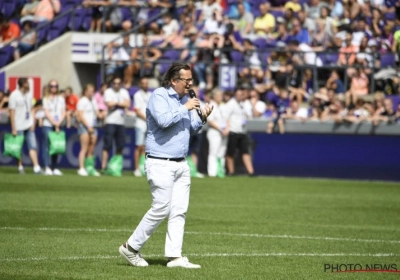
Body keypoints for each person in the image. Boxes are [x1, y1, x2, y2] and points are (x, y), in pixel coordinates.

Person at [119, 63, 213, 268]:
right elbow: (162, 121)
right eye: (186, 80)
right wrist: (185, 108)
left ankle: (175, 257)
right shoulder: (159, 96)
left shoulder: (183, 100)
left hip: (181, 163)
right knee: (161, 207)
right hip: (160, 162)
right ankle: (131, 248)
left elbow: (189, 129)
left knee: (179, 210)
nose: (190, 84)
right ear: (174, 80)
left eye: (191, 80)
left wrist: (202, 118)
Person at [8, 78, 43, 174]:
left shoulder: (29, 94)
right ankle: (20, 167)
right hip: (18, 125)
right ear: (23, 84)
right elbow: (11, 112)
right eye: (27, 83)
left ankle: (36, 167)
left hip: (28, 124)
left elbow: (31, 109)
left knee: (33, 146)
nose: (29, 85)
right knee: (18, 148)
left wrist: (32, 122)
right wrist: (13, 128)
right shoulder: (14, 95)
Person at [100, 77, 130, 173]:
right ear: (112, 83)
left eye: (118, 83)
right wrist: (121, 104)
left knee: (120, 146)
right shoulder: (108, 91)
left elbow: (128, 104)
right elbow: (109, 104)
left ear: (121, 84)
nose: (116, 85)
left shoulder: (124, 92)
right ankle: (103, 167)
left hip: (121, 122)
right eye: (114, 83)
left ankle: (117, 166)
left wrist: (115, 104)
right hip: (110, 121)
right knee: (107, 145)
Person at [225, 88, 255, 176]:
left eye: (241, 94)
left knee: (245, 151)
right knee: (231, 152)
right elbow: (226, 117)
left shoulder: (242, 104)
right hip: (233, 131)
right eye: (238, 94)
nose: (240, 96)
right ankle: (231, 171)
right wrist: (227, 128)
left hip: (242, 131)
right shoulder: (230, 104)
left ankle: (251, 172)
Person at [42, 79, 66, 176]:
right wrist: (54, 123)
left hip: (58, 124)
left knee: (56, 146)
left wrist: (59, 122)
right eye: (52, 86)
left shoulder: (61, 99)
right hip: (48, 124)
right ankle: (47, 167)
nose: (53, 88)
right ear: (49, 87)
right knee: (47, 147)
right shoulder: (45, 99)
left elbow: (63, 111)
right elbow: (47, 112)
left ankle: (54, 166)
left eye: (55, 86)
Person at [76, 84, 101, 176]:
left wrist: (101, 115)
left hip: (93, 127)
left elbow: (97, 112)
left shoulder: (93, 100)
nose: (91, 93)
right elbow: (80, 115)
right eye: (89, 91)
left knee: (91, 149)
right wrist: (88, 126)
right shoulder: (82, 101)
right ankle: (81, 168)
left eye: (92, 91)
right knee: (84, 148)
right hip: (84, 127)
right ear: (85, 91)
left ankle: (90, 167)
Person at [207, 89, 229, 177]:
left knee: (222, 152)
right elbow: (210, 121)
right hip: (214, 132)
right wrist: (220, 129)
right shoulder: (211, 105)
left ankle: (221, 171)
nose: (221, 97)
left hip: (224, 132)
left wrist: (227, 128)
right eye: (220, 95)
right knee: (213, 152)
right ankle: (212, 173)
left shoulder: (223, 106)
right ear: (214, 96)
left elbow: (227, 118)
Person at [133, 77, 151, 177]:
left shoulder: (150, 95)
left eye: (146, 83)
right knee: (138, 146)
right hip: (140, 123)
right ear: (140, 84)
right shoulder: (137, 95)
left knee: (145, 147)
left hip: (148, 124)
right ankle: (136, 168)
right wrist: (147, 119)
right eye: (143, 83)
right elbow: (137, 110)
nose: (145, 85)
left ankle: (142, 167)